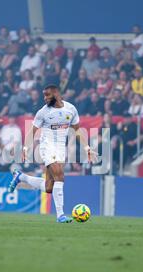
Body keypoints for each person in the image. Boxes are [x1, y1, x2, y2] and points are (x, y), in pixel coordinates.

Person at [8, 85, 97, 223]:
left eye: (47, 95)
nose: (44, 98)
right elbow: (32, 131)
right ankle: (60, 215)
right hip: (47, 147)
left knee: (50, 187)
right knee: (60, 176)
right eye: (44, 95)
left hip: (61, 149)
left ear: (56, 93)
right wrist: (25, 149)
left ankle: (21, 177)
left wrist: (87, 148)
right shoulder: (43, 112)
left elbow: (77, 130)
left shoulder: (71, 109)